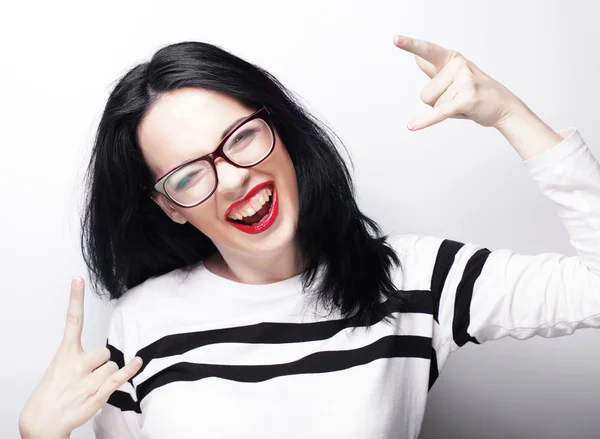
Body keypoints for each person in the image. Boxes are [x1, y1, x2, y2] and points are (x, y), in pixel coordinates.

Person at [19, 35, 600, 439]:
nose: (233, 180)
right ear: (169, 206)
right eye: (190, 174)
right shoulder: (142, 323)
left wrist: (510, 115)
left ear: (283, 131)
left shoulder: (416, 281)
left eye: (241, 137)